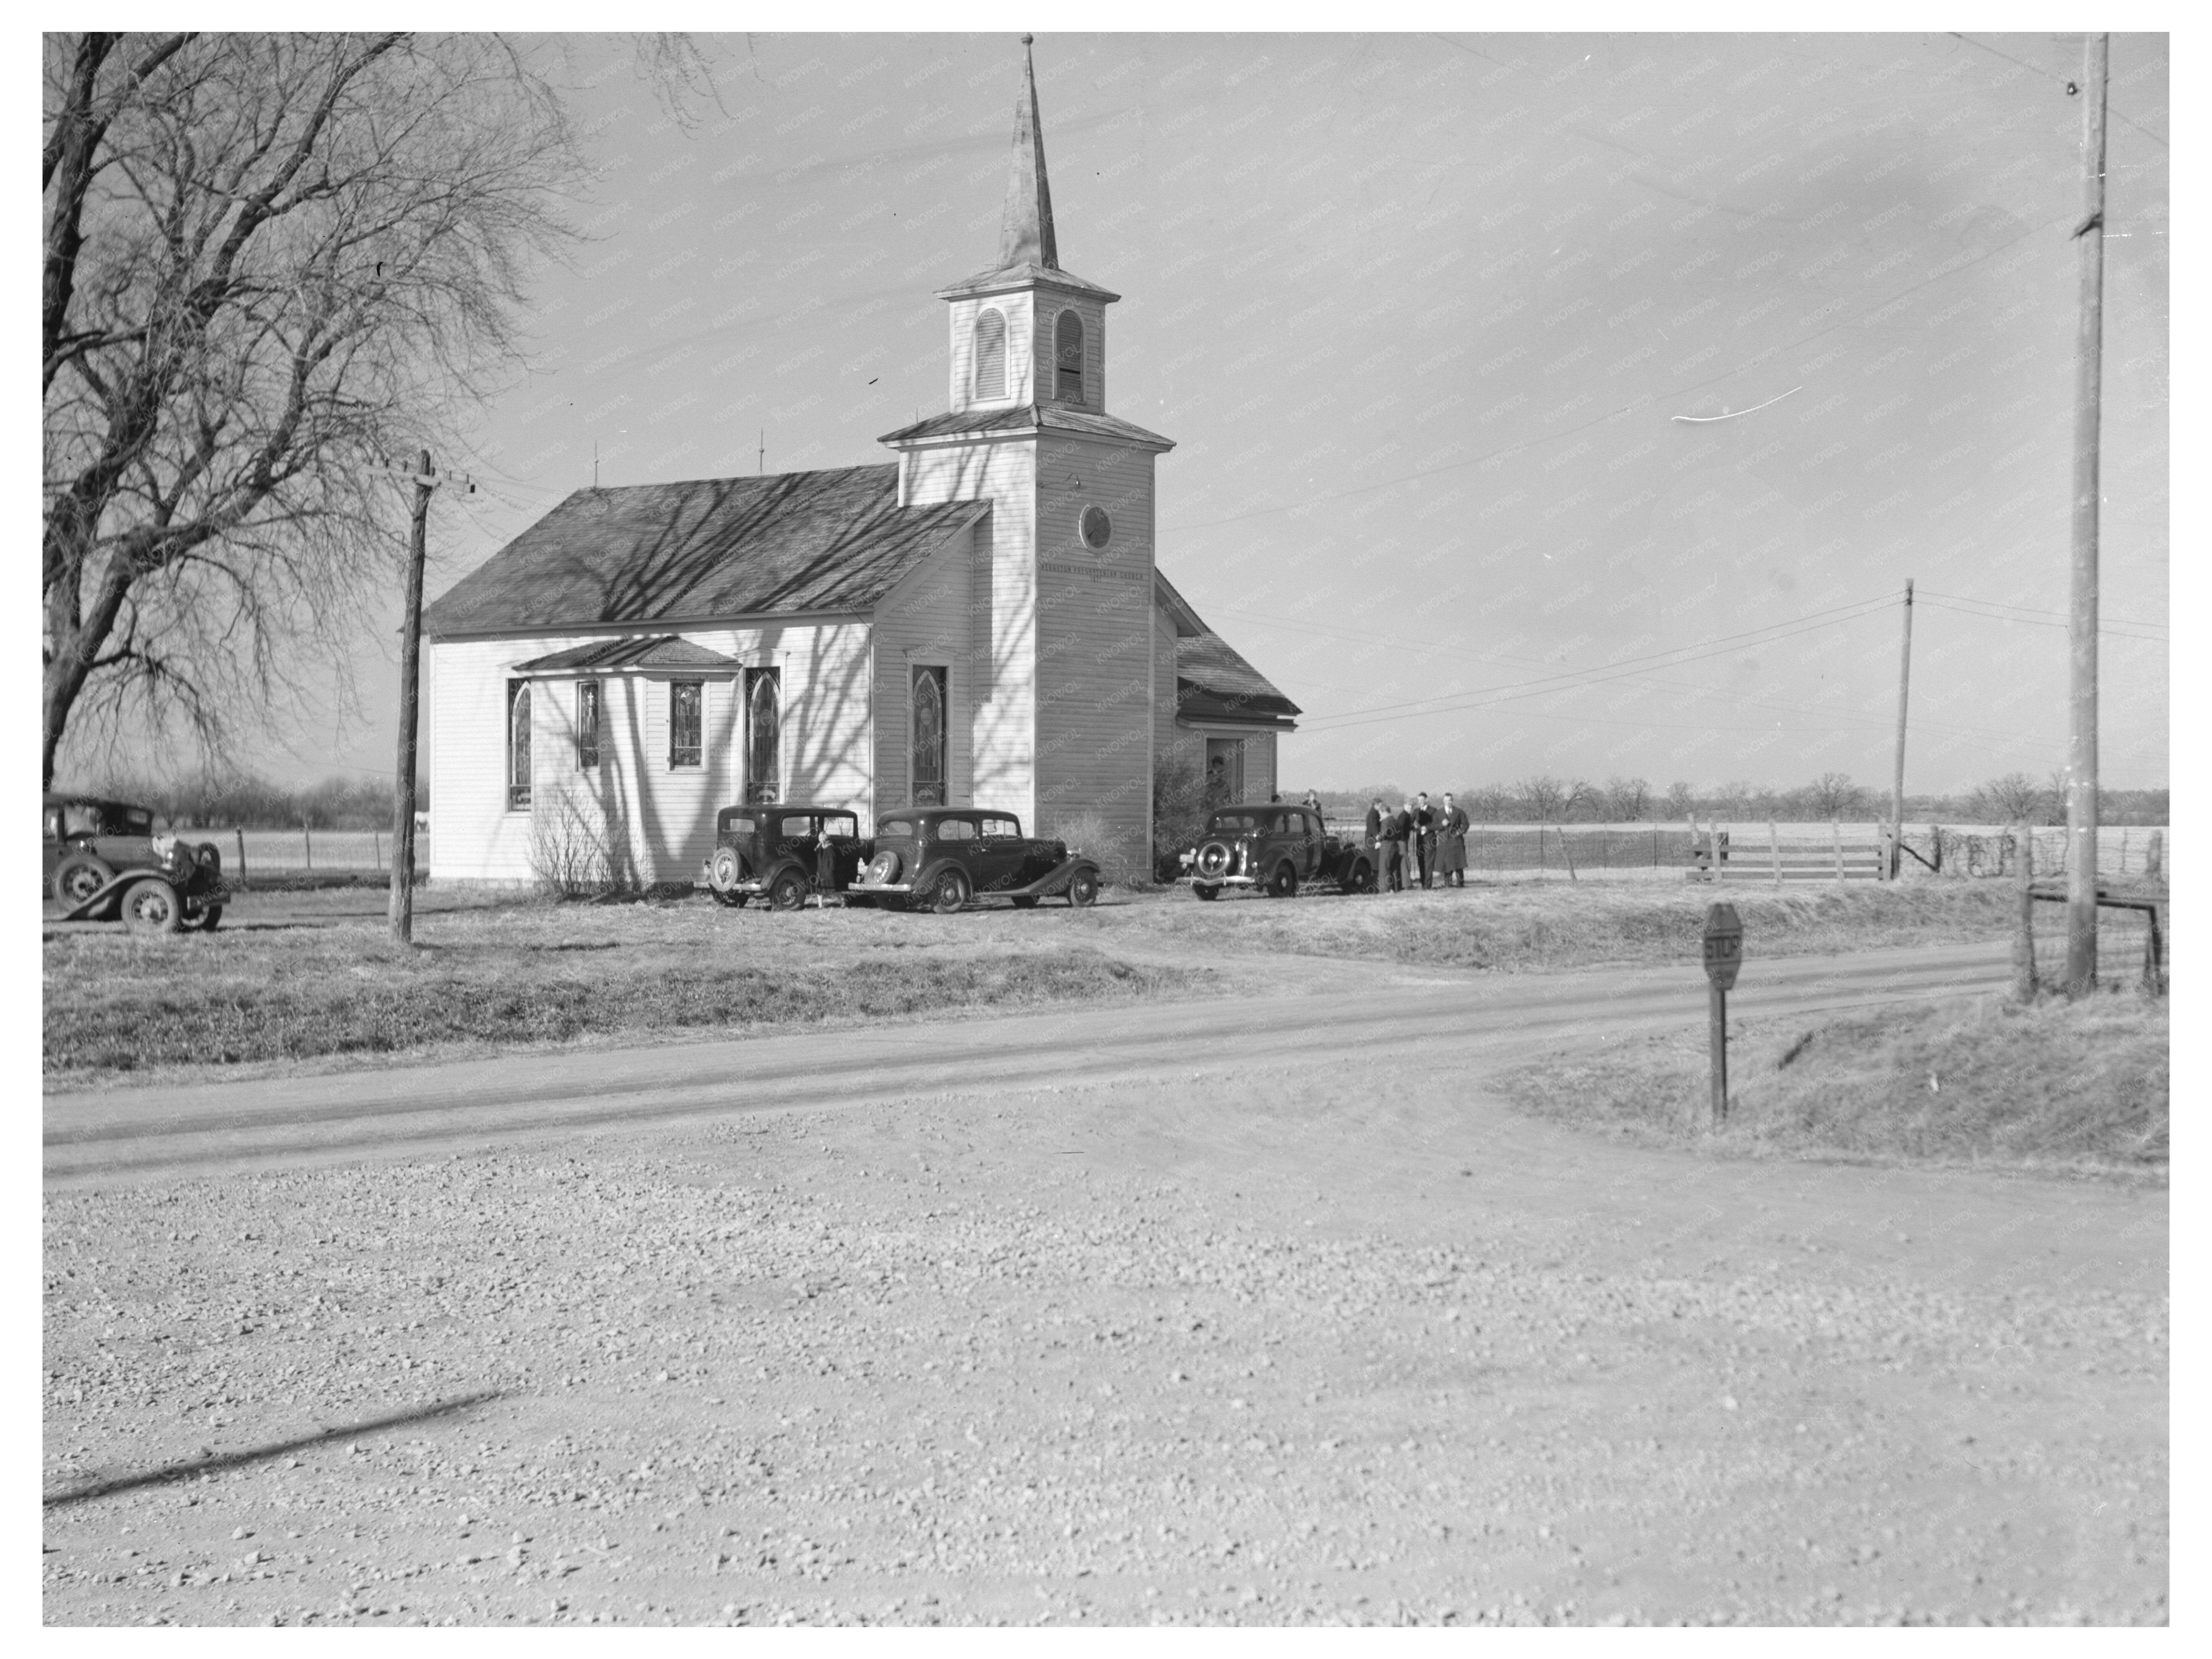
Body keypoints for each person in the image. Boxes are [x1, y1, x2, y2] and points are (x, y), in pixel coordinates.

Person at [1438, 792, 1469, 888]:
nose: (1448, 802)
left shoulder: (1459, 812)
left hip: (1456, 841)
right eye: (1446, 800)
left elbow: (1466, 824)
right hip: (1444, 841)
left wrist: (1459, 832)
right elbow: (1433, 825)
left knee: (1459, 863)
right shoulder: (1439, 813)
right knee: (1447, 863)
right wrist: (1441, 825)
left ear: (1453, 801)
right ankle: (1448, 884)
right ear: (1443, 801)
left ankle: (1460, 884)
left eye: (1450, 800)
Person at [1412, 791, 1437, 889]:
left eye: (1422, 800)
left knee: (1429, 863)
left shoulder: (1433, 810)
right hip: (1419, 840)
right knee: (1421, 862)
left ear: (1427, 800)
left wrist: (1426, 828)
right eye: (1419, 800)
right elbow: (1411, 823)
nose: (1420, 802)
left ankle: (1428, 886)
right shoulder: (1416, 811)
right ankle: (1423, 884)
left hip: (1430, 839)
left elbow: (1435, 824)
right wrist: (1416, 827)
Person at [1390, 798, 1415, 892]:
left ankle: (1404, 884)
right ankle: (1407, 884)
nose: (1410, 808)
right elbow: (1400, 828)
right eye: (1408, 806)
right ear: (1404, 806)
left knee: (1404, 862)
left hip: (1403, 841)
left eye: (1411, 807)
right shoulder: (1404, 816)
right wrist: (1402, 839)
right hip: (1402, 841)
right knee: (1405, 862)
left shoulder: (1406, 815)